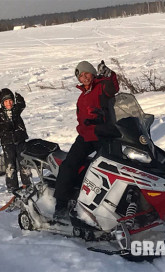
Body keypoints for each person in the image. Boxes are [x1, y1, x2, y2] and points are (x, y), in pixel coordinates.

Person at [53, 60, 120, 220]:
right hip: (86, 136)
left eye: (86, 73)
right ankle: (61, 205)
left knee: (111, 167)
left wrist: (110, 75)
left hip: (106, 134)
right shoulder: (82, 97)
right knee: (69, 164)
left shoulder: (102, 86)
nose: (84, 78)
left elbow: (113, 88)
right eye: (81, 76)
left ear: (93, 73)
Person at [0, 88, 32, 193]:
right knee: (10, 165)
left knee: (24, 163)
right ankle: (12, 186)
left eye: (10, 100)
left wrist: (19, 99)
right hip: (7, 143)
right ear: (2, 103)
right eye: (6, 101)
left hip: (20, 140)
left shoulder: (16, 110)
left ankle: (27, 183)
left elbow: (22, 105)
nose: (9, 103)